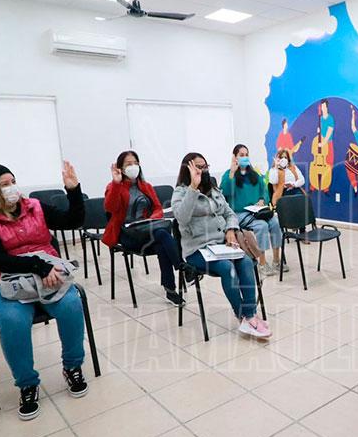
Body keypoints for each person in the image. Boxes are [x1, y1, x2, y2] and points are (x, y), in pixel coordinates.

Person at [0, 161, 89, 421]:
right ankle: (27, 384)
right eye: (4, 184)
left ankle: (72, 367)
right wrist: (38, 266)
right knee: (13, 319)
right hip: (0, 283)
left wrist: (73, 190)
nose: (12, 188)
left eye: (13, 181)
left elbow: (73, 220)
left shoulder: (34, 207)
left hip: (47, 276)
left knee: (70, 305)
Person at [172, 153, 271, 339]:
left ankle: (249, 315)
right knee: (227, 268)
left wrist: (231, 229)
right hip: (198, 249)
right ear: (188, 169)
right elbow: (182, 217)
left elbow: (229, 213)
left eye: (205, 166)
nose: (203, 170)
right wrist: (193, 188)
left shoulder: (213, 189)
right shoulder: (180, 192)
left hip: (221, 245)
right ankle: (243, 316)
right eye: (198, 167)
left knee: (246, 262)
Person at [102, 150, 182, 305]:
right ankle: (182, 267)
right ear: (121, 168)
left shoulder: (146, 186)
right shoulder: (113, 187)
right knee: (162, 235)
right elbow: (110, 207)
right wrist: (116, 183)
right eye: (128, 164)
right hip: (127, 234)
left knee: (161, 240)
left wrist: (152, 218)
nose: (133, 166)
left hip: (146, 230)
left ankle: (170, 290)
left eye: (136, 163)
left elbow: (158, 208)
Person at [221, 144, 285, 276]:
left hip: (257, 211)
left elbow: (264, 190)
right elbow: (225, 192)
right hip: (239, 213)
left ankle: (277, 260)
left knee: (275, 223)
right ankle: (262, 263)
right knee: (262, 226)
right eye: (241, 155)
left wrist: (262, 200)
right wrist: (232, 172)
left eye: (246, 155)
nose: (245, 157)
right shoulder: (229, 175)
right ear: (235, 157)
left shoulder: (254, 174)